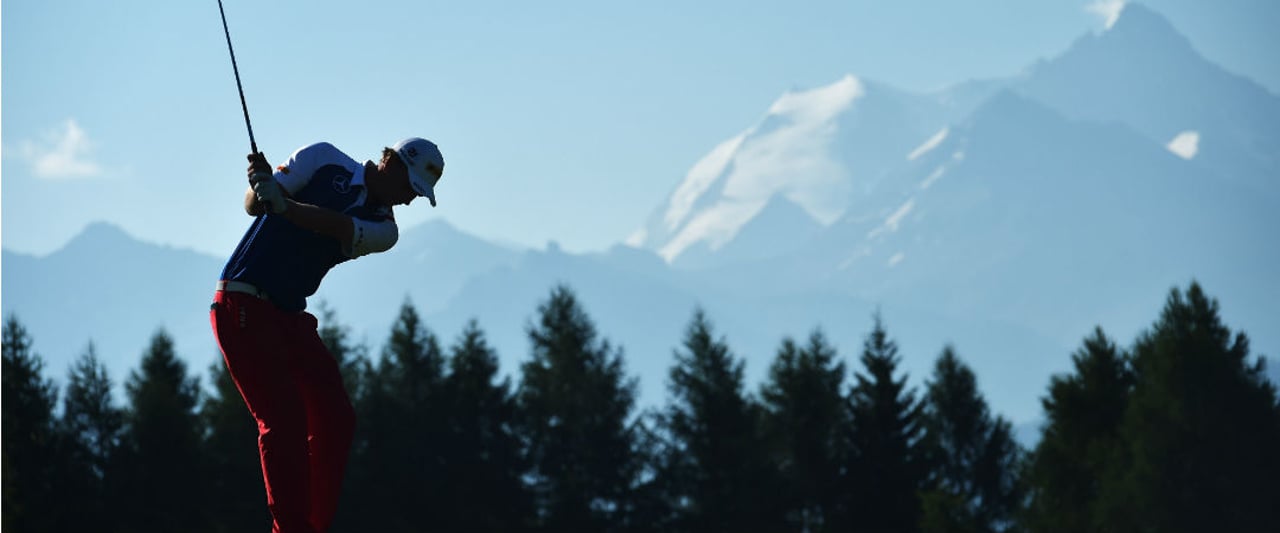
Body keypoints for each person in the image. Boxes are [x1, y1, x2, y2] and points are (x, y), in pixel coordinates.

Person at [210, 138, 444, 532]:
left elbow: (335, 225)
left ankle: (314, 526)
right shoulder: (322, 157)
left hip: (287, 315)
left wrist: (285, 205)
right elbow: (254, 206)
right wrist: (260, 187)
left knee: (336, 417)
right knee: (283, 421)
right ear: (392, 164)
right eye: (410, 188)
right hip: (242, 304)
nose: (409, 201)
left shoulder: (385, 230)